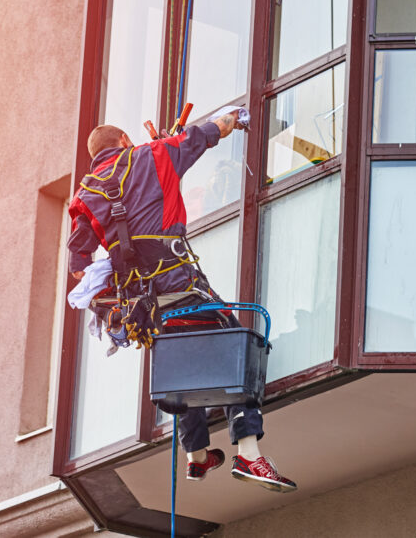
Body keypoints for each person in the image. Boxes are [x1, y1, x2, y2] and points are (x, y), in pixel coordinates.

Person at [67, 111, 297, 492]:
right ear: (125, 140)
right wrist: (235, 118)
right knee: (233, 343)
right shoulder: (154, 155)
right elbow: (206, 133)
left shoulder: (85, 193)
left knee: (180, 363)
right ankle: (250, 454)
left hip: (143, 305)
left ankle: (196, 457)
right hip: (180, 283)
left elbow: (78, 267)